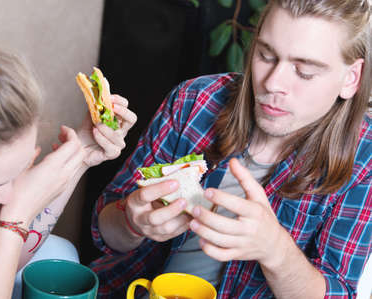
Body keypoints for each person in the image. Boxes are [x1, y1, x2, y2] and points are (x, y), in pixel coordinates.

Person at [90, 0, 371, 298]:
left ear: (351, 78)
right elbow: (104, 230)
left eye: (304, 72)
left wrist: (277, 251)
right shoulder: (195, 101)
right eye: (266, 55)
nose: (272, 83)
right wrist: (132, 222)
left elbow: (338, 291)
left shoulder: (364, 159)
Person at [0, 23, 137, 299]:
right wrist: (16, 218)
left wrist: (82, 152)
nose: (9, 195)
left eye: (20, 170)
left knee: (59, 252)